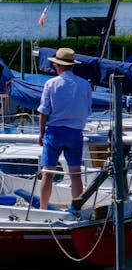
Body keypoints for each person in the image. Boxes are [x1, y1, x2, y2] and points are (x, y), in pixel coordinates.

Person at [38, 47, 91, 210]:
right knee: (75, 173)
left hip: (55, 131)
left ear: (58, 66)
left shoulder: (51, 84)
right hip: (75, 132)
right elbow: (88, 109)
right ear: (72, 65)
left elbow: (44, 111)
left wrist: (41, 133)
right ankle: (76, 208)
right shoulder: (85, 85)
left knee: (48, 173)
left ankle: (43, 208)